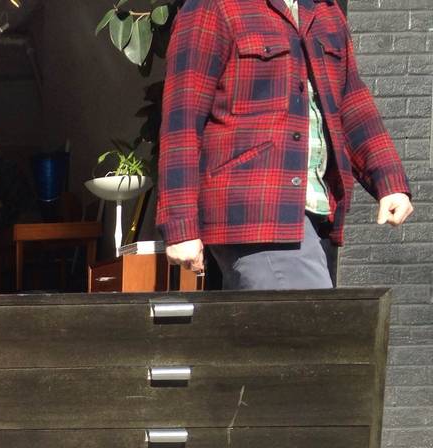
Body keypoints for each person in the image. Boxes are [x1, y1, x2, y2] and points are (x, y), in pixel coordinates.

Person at [157, 0, 413, 290]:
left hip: (316, 216)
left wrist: (389, 180)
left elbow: (352, 102)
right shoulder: (214, 7)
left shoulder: (326, 12)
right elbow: (182, 120)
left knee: (275, 332)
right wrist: (180, 226)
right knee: (312, 329)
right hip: (254, 212)